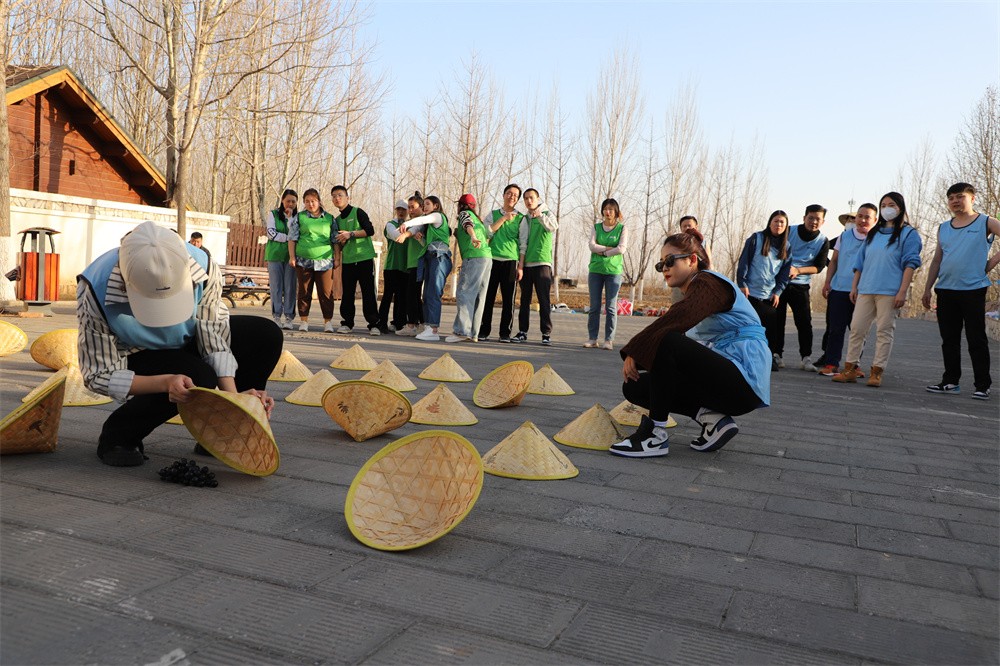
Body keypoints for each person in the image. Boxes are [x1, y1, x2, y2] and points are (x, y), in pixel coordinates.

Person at [76, 221, 281, 466]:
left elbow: (213, 338)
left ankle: (226, 430)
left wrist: (235, 401)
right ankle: (119, 434)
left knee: (264, 334)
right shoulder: (95, 287)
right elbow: (98, 374)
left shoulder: (204, 267)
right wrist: (165, 382)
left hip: (188, 341)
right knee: (197, 376)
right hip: (137, 353)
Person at [611, 229, 770, 458]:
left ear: (692, 260)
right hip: (724, 379)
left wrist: (634, 351)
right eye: (660, 265)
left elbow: (676, 319)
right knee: (635, 386)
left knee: (667, 339)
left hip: (744, 378)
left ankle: (655, 435)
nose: (664, 268)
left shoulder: (708, 283)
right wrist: (638, 357)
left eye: (669, 261)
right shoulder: (695, 293)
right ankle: (713, 420)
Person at [832, 192, 923, 387]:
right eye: (883, 205)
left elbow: (911, 263)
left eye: (892, 205)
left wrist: (902, 291)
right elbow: (860, 262)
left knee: (884, 331)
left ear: (900, 208)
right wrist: (854, 286)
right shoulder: (874, 233)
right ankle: (850, 369)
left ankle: (877, 371)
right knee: (857, 329)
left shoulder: (909, 234)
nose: (887, 209)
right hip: (866, 289)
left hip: (890, 291)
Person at [922, 182, 1000, 399]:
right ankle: (950, 381)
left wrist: (991, 263)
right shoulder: (944, 228)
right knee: (949, 339)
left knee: (976, 338)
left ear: (972, 198)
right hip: (945, 289)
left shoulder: (986, 222)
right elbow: (937, 260)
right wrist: (927, 288)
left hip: (973, 289)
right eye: (951, 198)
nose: (955, 201)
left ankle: (982, 385)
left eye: (960, 196)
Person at [817, 203, 876, 376]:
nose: (862, 220)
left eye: (867, 217)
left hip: (863, 291)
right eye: (860, 216)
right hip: (839, 288)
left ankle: (854, 365)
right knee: (836, 328)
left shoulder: (876, 239)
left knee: (858, 330)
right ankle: (831, 363)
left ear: (875, 220)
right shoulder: (844, 236)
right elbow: (834, 260)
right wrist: (827, 282)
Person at [775, 204, 830, 371]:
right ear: (804, 218)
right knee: (777, 320)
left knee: (804, 322)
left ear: (823, 222)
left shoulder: (823, 241)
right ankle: (776, 355)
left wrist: (798, 270)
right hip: (780, 284)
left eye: (817, 219)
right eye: (810, 218)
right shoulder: (789, 231)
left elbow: (818, 267)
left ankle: (806, 358)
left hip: (801, 285)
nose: (813, 222)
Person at [736, 210, 792, 371]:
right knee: (747, 328)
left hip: (769, 295)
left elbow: (784, 273)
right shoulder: (756, 238)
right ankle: (743, 357)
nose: (778, 224)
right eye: (776, 221)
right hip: (750, 292)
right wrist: (742, 283)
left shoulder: (787, 246)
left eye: (782, 222)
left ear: (786, 226)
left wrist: (778, 292)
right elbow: (744, 261)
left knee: (770, 331)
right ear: (770, 222)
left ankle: (767, 358)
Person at [331, 185, 381, 336]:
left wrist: (351, 234)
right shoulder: (336, 220)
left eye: (340, 195)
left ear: (347, 197)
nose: (337, 198)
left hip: (364, 258)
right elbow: (338, 242)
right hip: (348, 261)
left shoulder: (358, 212)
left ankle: (374, 324)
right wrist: (338, 256)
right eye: (334, 196)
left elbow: (370, 230)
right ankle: (347, 323)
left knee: (368, 292)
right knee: (347, 293)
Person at [403, 195, 452, 342]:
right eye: (424, 204)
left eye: (427, 204)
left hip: (439, 258)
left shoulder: (438, 216)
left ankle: (433, 329)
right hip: (430, 258)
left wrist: (407, 223)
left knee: (433, 293)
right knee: (426, 294)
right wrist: (420, 239)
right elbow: (428, 245)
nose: (425, 206)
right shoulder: (430, 227)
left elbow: (422, 220)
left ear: (436, 206)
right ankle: (429, 327)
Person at [513, 188, 558, 345]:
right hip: (527, 264)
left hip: (542, 263)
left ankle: (546, 333)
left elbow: (553, 227)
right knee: (524, 300)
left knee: (543, 300)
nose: (529, 201)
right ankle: (522, 332)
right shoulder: (525, 218)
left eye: (531, 197)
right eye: (526, 198)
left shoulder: (547, 213)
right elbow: (522, 241)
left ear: (538, 199)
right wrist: (520, 265)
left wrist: (540, 216)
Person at [478, 184, 523, 343]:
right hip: (492, 260)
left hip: (511, 261)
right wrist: (503, 218)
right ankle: (484, 330)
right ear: (504, 195)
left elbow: (523, 243)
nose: (512, 197)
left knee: (508, 300)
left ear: (517, 199)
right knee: (488, 297)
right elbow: (486, 232)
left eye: (515, 195)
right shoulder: (493, 214)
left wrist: (520, 266)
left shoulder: (521, 218)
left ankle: (505, 333)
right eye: (509, 193)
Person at [288, 188, 336, 332]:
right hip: (303, 261)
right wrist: (292, 257)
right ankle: (304, 321)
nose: (310, 204)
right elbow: (292, 238)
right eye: (307, 201)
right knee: (304, 292)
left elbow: (335, 240)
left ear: (319, 201)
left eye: (313, 201)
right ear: (304, 203)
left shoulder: (329, 218)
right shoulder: (299, 217)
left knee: (326, 293)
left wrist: (337, 258)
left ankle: (328, 322)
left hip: (325, 261)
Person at [446, 194, 492, 343]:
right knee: (479, 296)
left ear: (460, 205)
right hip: (486, 258)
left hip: (474, 256)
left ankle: (461, 331)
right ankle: (473, 333)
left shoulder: (464, 214)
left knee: (465, 292)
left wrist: (472, 236)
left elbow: (467, 224)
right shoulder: (478, 220)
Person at [585, 198, 627, 350]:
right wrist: (608, 248)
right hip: (595, 270)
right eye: (605, 209)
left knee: (610, 307)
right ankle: (592, 338)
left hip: (613, 272)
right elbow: (591, 246)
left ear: (616, 211)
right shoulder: (596, 227)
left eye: (611, 209)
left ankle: (609, 340)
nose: (608, 212)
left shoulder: (622, 228)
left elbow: (621, 248)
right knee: (594, 307)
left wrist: (602, 251)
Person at [263, 189, 298, 329]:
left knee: (290, 287)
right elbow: (271, 233)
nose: (290, 204)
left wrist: (290, 219)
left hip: (291, 256)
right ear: (282, 200)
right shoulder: (273, 214)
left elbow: (297, 233)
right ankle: (276, 316)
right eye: (288, 201)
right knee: (276, 287)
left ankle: (289, 317)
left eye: (293, 201)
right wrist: (289, 238)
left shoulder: (297, 217)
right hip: (275, 255)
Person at [394, 192, 426, 337]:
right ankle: (421, 324)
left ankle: (412, 325)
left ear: (421, 207)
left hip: (419, 262)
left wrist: (405, 235)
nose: (410, 210)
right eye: (409, 207)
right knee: (414, 294)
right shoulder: (412, 222)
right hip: (413, 262)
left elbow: (414, 231)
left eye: (413, 207)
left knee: (412, 294)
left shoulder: (422, 221)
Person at [377, 199, 409, 334]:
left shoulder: (410, 225)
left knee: (401, 297)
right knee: (388, 296)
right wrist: (411, 233)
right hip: (391, 266)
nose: (401, 212)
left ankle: (398, 323)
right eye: (399, 209)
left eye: (404, 209)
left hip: (405, 267)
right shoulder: (391, 225)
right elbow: (396, 236)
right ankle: (381, 323)